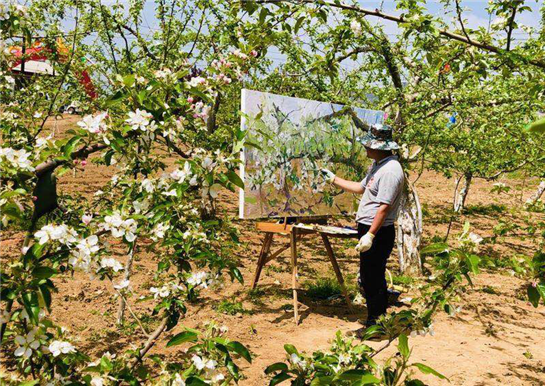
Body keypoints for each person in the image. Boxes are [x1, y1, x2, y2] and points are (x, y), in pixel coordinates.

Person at [321, 123, 404, 327]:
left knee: (372, 277)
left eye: (369, 145)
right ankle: (376, 319)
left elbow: (384, 207)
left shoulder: (391, 171)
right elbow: (361, 187)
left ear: (380, 147)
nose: (366, 148)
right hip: (370, 228)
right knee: (369, 275)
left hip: (378, 231)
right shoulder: (379, 165)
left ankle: (376, 323)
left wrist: (371, 235)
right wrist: (334, 179)